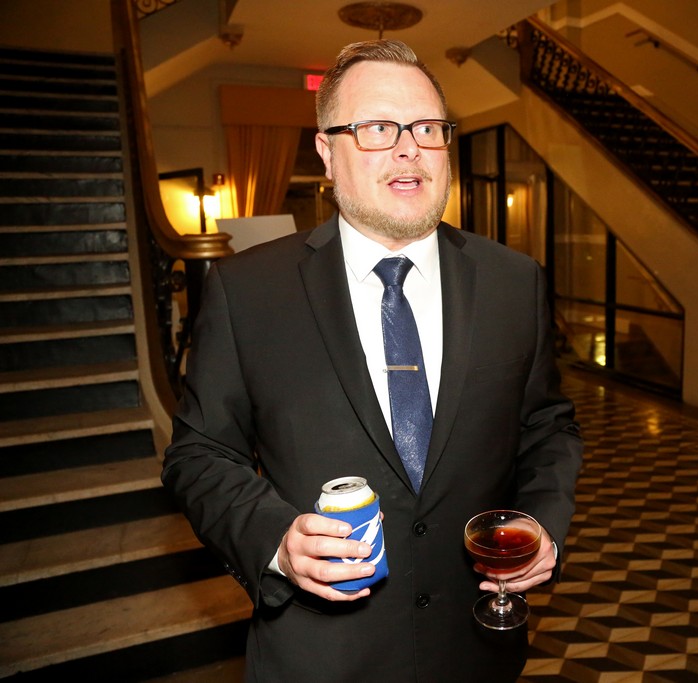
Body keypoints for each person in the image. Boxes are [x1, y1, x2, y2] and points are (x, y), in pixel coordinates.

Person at [162, 39, 583, 682]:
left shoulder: (513, 282)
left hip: (474, 653)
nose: (409, 147)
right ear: (326, 151)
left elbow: (547, 427)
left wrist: (543, 522)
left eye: (427, 128)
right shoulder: (248, 292)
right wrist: (276, 541)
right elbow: (198, 455)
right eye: (378, 127)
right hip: (321, 659)